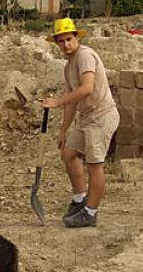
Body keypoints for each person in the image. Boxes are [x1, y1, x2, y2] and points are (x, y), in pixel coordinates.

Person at [40, 18, 120, 229]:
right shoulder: (68, 67)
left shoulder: (85, 56)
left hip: (101, 116)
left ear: (77, 38)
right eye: (61, 41)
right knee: (68, 154)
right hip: (86, 118)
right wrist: (63, 130)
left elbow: (86, 89)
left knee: (95, 166)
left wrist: (56, 101)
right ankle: (79, 200)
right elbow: (73, 100)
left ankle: (90, 213)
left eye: (69, 39)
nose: (66, 45)